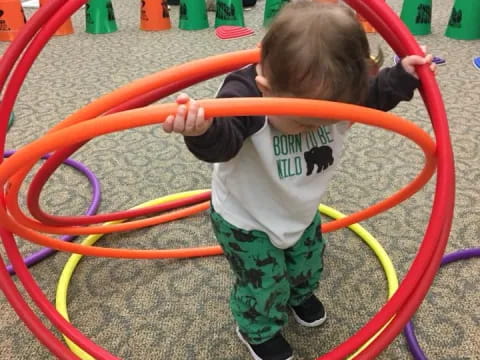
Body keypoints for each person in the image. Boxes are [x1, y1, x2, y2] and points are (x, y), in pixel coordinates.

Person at [163, 2, 435, 359]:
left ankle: (299, 295)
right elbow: (223, 143)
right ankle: (256, 329)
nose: (315, 130)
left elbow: (377, 94)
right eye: (304, 123)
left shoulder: (341, 90)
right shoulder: (244, 97)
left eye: (325, 121)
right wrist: (201, 129)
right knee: (263, 283)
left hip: (300, 207)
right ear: (265, 88)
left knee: (307, 263)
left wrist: (403, 76)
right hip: (246, 219)